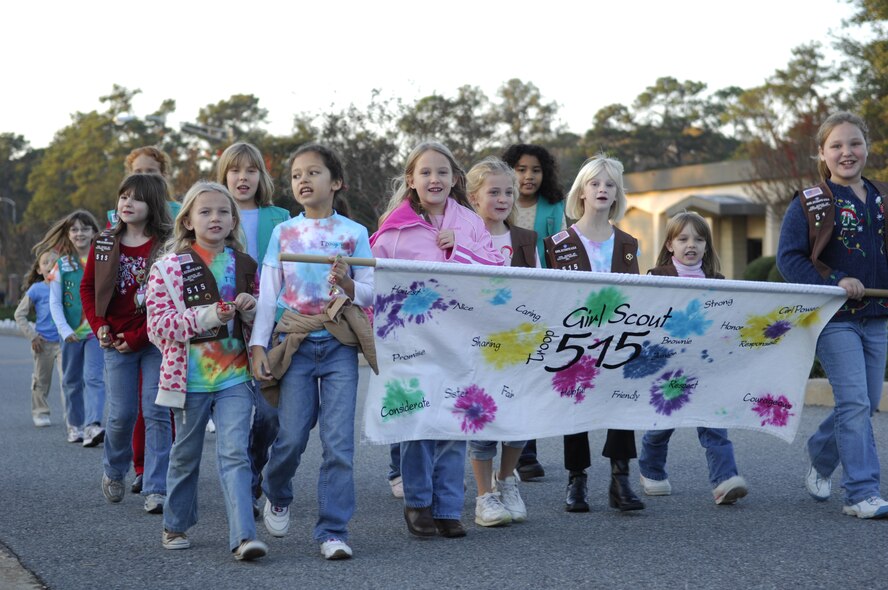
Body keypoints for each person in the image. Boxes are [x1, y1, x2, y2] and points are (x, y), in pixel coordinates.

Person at [371, 141, 504, 539]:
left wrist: (459, 248)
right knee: (418, 422)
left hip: (459, 341)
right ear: (411, 180)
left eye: (442, 172)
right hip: (410, 343)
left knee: (452, 423)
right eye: (426, 172)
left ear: (454, 179)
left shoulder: (469, 223)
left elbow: (499, 271)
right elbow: (375, 283)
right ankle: (418, 504)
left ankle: (448, 507)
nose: (434, 179)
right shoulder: (394, 229)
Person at [250, 144, 375, 560]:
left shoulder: (355, 232)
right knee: (290, 436)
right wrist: (258, 346)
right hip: (295, 345)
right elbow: (268, 294)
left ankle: (333, 530)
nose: (303, 180)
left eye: (313, 173)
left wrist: (349, 282)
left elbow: (371, 292)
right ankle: (277, 491)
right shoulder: (283, 233)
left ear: (336, 182)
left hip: (339, 344)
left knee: (339, 443)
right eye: (296, 175)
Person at [146, 180, 267, 560]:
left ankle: (244, 536)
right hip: (187, 380)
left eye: (223, 212)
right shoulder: (167, 268)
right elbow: (158, 327)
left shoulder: (247, 264)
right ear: (187, 221)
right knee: (185, 454)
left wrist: (251, 310)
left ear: (234, 220)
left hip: (235, 376)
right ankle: (176, 523)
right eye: (205, 211)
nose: (215, 218)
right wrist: (207, 315)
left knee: (235, 454)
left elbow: (263, 323)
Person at [777, 111, 888, 519]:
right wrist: (837, 280)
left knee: (864, 402)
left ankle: (821, 457)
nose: (847, 152)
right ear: (821, 153)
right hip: (836, 318)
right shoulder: (811, 202)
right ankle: (861, 493)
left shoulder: (883, 198)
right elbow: (789, 259)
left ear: (867, 148)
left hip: (878, 314)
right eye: (836, 145)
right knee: (856, 402)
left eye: (854, 143)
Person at [543, 154, 644, 513]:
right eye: (595, 183)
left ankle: (621, 479)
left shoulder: (630, 245)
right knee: (576, 407)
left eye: (610, 184)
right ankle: (577, 478)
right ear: (581, 192)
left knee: (622, 406)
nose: (602, 189)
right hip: (575, 341)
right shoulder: (556, 244)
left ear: (618, 193)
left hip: (618, 339)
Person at [638, 211, 749, 505]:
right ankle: (651, 470)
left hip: (707, 367)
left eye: (699, 239)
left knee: (714, 426)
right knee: (661, 426)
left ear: (707, 246)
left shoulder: (718, 281)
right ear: (670, 245)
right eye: (683, 238)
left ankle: (725, 481)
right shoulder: (656, 277)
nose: (691, 245)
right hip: (669, 368)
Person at [82, 173, 173, 513]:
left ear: (153, 205)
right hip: (115, 340)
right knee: (121, 414)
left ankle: (156, 486)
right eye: (123, 197)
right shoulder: (105, 243)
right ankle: (113, 469)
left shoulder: (167, 246)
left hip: (155, 340)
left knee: (157, 411)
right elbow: (88, 289)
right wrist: (99, 326)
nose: (126, 203)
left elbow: (174, 299)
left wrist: (137, 337)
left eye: (135, 198)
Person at [216, 141, 290, 516]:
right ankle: (238, 479)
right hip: (222, 330)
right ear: (223, 176)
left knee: (270, 414)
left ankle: (253, 471)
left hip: (271, 326)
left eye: (250, 170)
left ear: (261, 176)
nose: (242, 178)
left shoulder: (280, 217)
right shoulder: (212, 214)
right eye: (234, 170)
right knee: (229, 412)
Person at [466, 157, 537, 526]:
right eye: (493, 191)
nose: (503, 198)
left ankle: (507, 481)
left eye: (508, 191)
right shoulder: (460, 239)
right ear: (474, 197)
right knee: (482, 417)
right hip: (477, 344)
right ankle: (483, 496)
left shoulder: (525, 240)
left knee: (518, 418)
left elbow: (540, 287)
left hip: (517, 343)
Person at [111, 146, 180, 495]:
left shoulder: (174, 226)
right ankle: (135, 467)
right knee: (128, 409)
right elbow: (98, 283)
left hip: (159, 332)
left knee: (158, 405)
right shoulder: (114, 228)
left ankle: (158, 476)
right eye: (139, 173)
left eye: (153, 173)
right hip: (121, 333)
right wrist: (102, 327)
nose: (146, 179)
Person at [502, 143, 566, 481]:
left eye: (536, 170)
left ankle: (526, 452)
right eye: (521, 169)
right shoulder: (496, 199)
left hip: (538, 298)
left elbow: (560, 250)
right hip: (499, 299)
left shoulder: (554, 207)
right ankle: (495, 447)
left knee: (529, 374)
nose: (528, 176)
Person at [43, 211, 105, 445]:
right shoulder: (63, 265)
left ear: (94, 233)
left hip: (96, 333)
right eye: (75, 229)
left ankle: (93, 425)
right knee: (71, 380)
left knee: (94, 378)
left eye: (85, 228)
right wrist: (63, 329)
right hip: (69, 335)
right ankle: (76, 425)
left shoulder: (102, 262)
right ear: (68, 235)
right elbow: (55, 302)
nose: (80, 233)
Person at [15, 248, 62, 427]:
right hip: (44, 343)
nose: (50, 265)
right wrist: (32, 336)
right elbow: (19, 314)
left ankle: (72, 416)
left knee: (69, 380)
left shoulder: (67, 288)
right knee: (42, 380)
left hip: (65, 342)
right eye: (45, 263)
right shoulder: (36, 289)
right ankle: (40, 412)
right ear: (38, 270)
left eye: (54, 262)